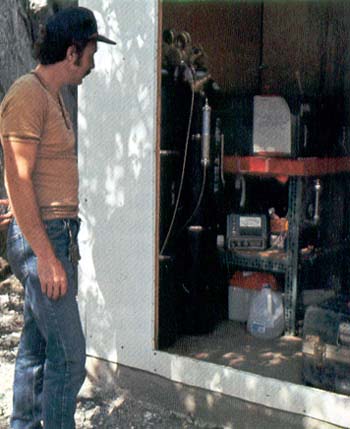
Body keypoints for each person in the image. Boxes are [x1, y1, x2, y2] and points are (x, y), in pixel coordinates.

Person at [0, 7, 115, 429]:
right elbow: (18, 173)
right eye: (90, 52)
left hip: (54, 232)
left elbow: (28, 178)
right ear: (72, 53)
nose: (93, 62)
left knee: (36, 347)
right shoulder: (27, 94)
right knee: (69, 353)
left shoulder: (52, 96)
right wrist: (44, 256)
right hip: (44, 239)